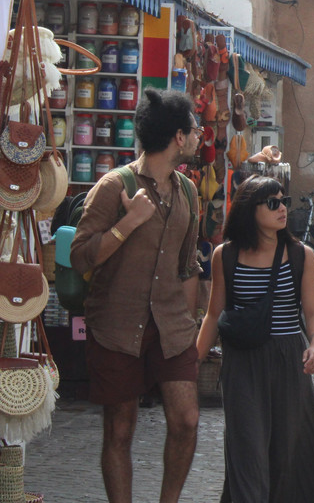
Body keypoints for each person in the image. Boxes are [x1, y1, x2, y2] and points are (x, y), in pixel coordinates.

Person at [70, 88, 202, 503]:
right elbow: (80, 257)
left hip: (172, 328)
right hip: (117, 325)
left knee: (186, 420)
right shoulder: (114, 186)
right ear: (179, 137)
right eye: (195, 130)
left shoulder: (188, 192)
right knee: (120, 428)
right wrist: (128, 224)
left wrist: (194, 324)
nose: (199, 137)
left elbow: (187, 266)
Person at [195, 176, 314, 502]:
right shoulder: (226, 255)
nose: (282, 209)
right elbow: (213, 313)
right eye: (273, 202)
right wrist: (191, 364)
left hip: (288, 361)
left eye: (284, 201)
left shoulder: (301, 255)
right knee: (247, 450)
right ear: (251, 209)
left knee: (288, 453)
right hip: (242, 363)